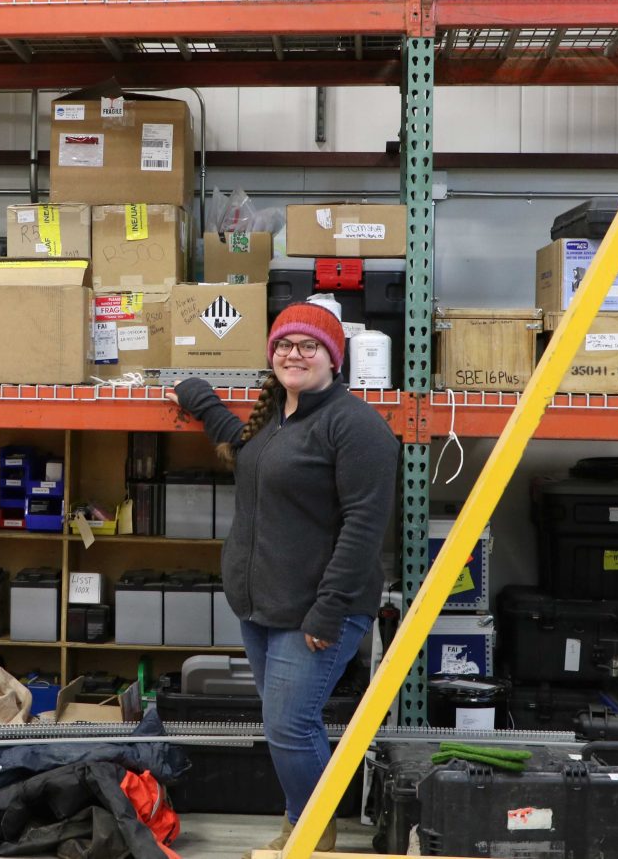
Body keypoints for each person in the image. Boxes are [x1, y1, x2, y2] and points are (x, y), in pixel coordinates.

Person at [165, 301, 398, 855]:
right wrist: (200, 398)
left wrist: (329, 609)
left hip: (319, 608)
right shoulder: (277, 419)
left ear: (333, 359)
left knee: (292, 725)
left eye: (309, 346)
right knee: (283, 724)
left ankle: (313, 831)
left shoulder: (355, 425)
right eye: (284, 346)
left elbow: (365, 528)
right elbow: (244, 449)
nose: (295, 355)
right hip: (264, 604)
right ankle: (304, 822)